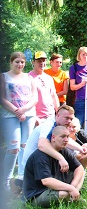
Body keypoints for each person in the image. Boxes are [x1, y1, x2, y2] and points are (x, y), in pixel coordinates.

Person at [1, 52, 37, 190]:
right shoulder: (4, 77)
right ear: (11, 62)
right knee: (13, 148)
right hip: (9, 116)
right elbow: (2, 98)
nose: (20, 64)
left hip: (28, 115)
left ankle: (22, 177)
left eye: (22, 62)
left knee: (25, 146)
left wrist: (23, 110)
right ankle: (6, 181)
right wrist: (17, 111)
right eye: (17, 62)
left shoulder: (29, 78)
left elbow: (34, 98)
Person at [22, 126, 85, 208]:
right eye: (62, 137)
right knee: (64, 194)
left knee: (82, 173)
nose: (66, 140)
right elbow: (47, 181)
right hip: (37, 195)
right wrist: (71, 189)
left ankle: (74, 195)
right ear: (53, 137)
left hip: (55, 188)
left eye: (67, 137)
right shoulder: (40, 156)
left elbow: (79, 168)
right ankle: (72, 197)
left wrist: (73, 186)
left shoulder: (63, 150)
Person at [22, 105, 87, 172]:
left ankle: (79, 174)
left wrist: (80, 148)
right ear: (58, 116)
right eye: (66, 118)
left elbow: (66, 140)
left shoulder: (60, 125)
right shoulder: (49, 125)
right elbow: (42, 145)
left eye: (71, 119)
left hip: (42, 161)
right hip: (32, 166)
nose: (69, 121)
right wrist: (61, 158)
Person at [29, 51, 59, 126]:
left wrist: (58, 112)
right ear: (33, 62)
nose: (42, 63)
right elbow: (27, 100)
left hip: (50, 116)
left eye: (44, 61)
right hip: (36, 118)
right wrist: (34, 117)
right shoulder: (28, 77)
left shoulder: (49, 78)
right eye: (39, 61)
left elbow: (54, 96)